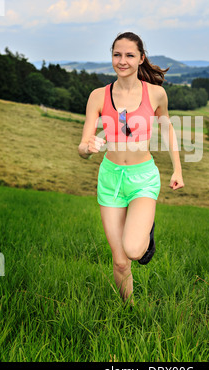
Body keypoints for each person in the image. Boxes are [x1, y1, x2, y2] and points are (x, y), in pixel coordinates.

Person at [78, 32, 184, 303]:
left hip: (143, 179)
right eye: (117, 54)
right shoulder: (98, 96)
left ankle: (145, 231)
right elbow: (83, 147)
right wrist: (88, 150)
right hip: (111, 179)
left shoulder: (156, 94)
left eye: (129, 55)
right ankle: (129, 311)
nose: (122, 61)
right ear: (111, 57)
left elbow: (168, 130)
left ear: (141, 59)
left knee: (134, 251)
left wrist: (177, 169)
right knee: (121, 262)